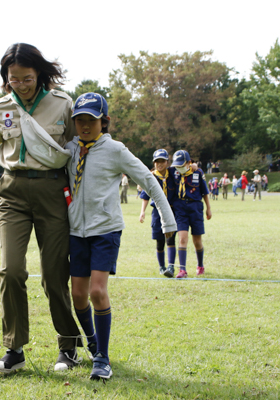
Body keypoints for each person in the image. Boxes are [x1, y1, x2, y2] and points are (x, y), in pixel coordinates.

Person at [0, 43, 82, 374]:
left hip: (52, 190)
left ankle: (67, 346)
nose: (22, 85)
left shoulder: (62, 105)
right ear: (6, 78)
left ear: (39, 74)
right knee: (11, 270)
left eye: (27, 78)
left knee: (55, 274)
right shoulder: (0, 108)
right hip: (12, 190)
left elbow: (78, 149)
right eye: (14, 80)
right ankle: (14, 349)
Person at [66, 93, 176, 380]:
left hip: (105, 230)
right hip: (76, 231)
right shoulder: (70, 149)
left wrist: (167, 219)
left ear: (104, 121)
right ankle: (92, 342)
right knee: (77, 294)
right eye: (80, 120)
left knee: (97, 291)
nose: (85, 125)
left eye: (91, 120)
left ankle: (102, 357)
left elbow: (149, 180)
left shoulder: (115, 150)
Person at [139, 149, 180, 277]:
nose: (159, 164)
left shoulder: (173, 174)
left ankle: (171, 267)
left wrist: (194, 166)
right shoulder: (151, 177)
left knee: (171, 239)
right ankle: (162, 267)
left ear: (167, 162)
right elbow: (145, 196)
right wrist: (142, 212)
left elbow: (185, 167)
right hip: (157, 212)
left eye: (162, 161)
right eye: (157, 161)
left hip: (171, 210)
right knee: (159, 241)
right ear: (154, 163)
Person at [171, 149, 212, 277]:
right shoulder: (173, 172)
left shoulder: (198, 172)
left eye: (182, 165)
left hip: (195, 208)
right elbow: (160, 170)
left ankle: (200, 265)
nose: (179, 167)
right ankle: (182, 269)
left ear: (189, 162)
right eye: (177, 165)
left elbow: (205, 192)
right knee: (182, 238)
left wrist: (208, 208)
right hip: (180, 208)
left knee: (197, 241)